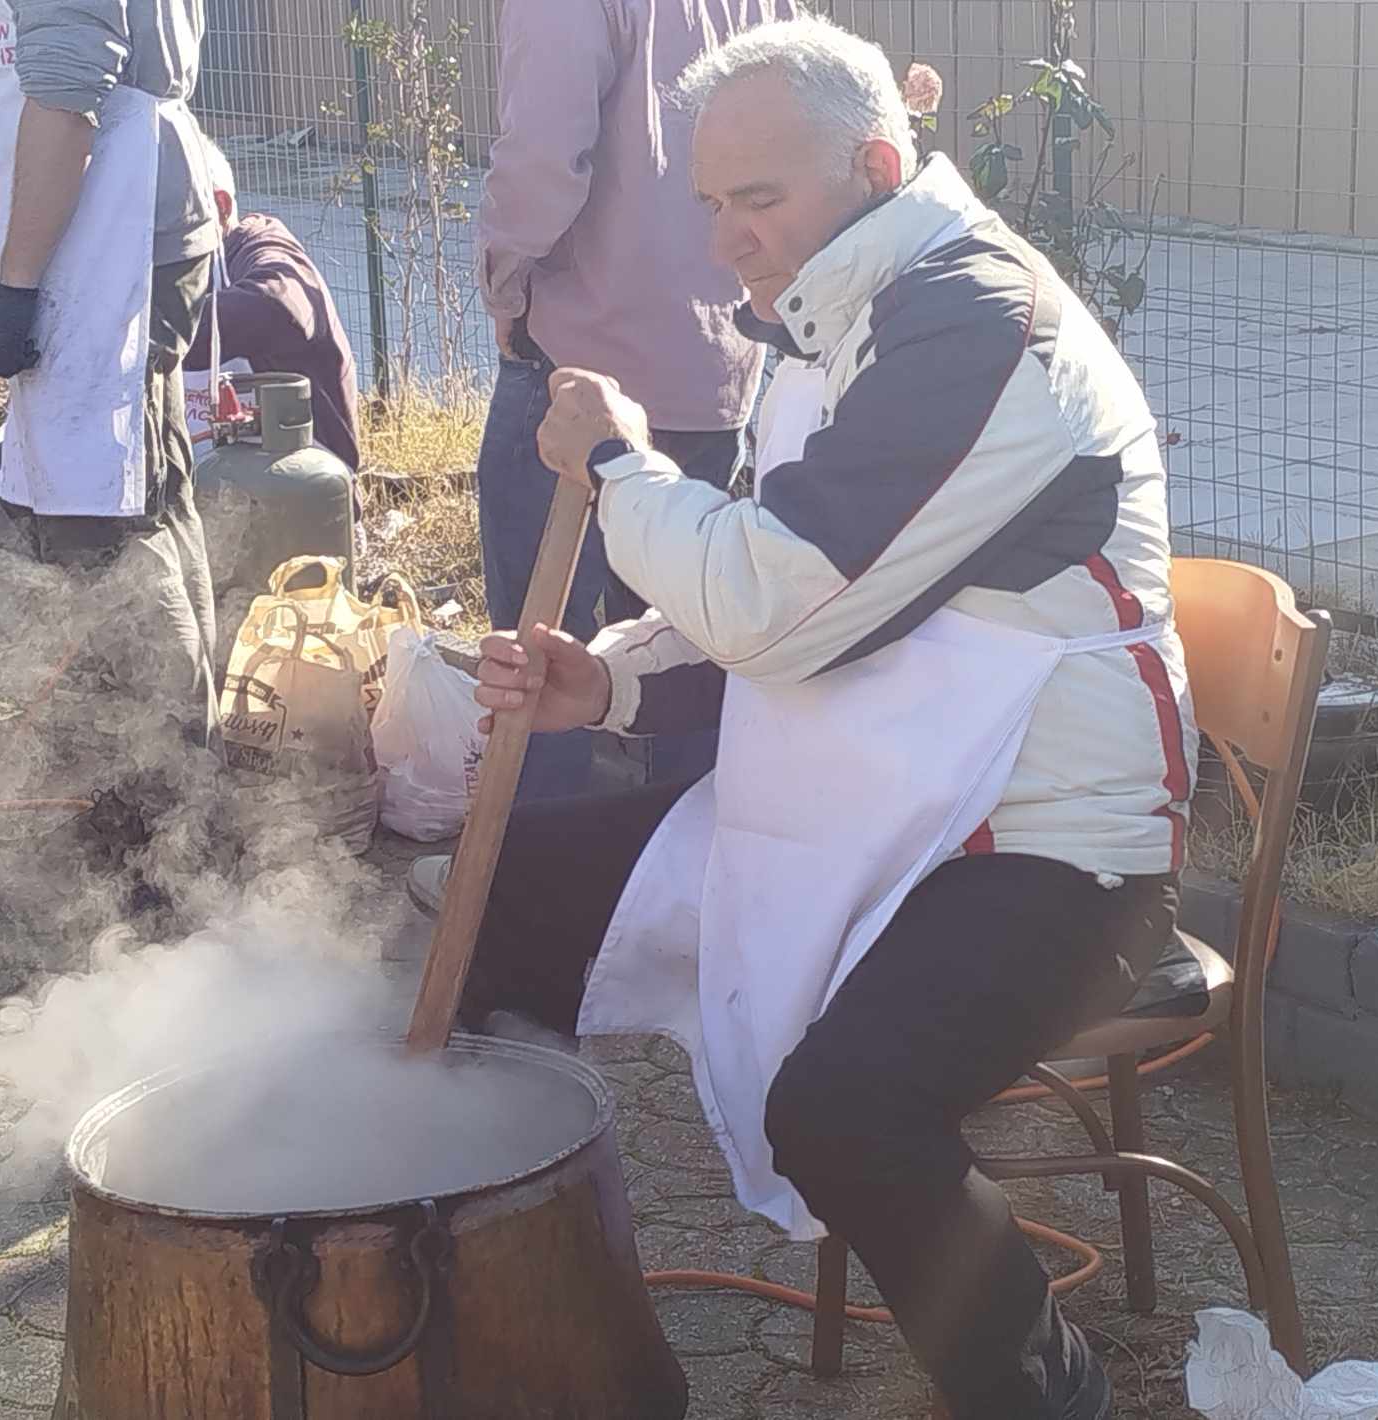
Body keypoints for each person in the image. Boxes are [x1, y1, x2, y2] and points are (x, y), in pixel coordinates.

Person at [439, 18, 1197, 1419]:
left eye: (760, 198)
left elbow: (778, 604)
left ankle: (1049, 1392)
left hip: (1047, 839)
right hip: (866, 783)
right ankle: (494, 1325)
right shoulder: (827, 312)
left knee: (849, 1113)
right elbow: (800, 576)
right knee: (491, 917)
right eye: (711, 204)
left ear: (870, 162)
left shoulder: (974, 325)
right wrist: (603, 681)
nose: (728, 238)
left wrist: (614, 461)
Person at [472, 0, 794, 801]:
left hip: (578, 373)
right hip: (715, 363)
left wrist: (504, 285)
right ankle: (668, 876)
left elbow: (542, 161)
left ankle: (534, 873)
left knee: (536, 655)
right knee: (684, 643)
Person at [0, 0, 219, 757]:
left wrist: (17, 290)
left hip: (107, 241)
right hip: (131, 224)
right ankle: (186, 786)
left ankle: (157, 812)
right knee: (153, 493)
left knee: (105, 528)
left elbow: (68, 102)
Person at [183, 142, 362, 476]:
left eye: (168, 213)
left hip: (299, 502)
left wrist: (154, 332)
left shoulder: (262, 246)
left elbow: (277, 302)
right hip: (212, 497)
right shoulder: (161, 272)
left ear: (220, 206)